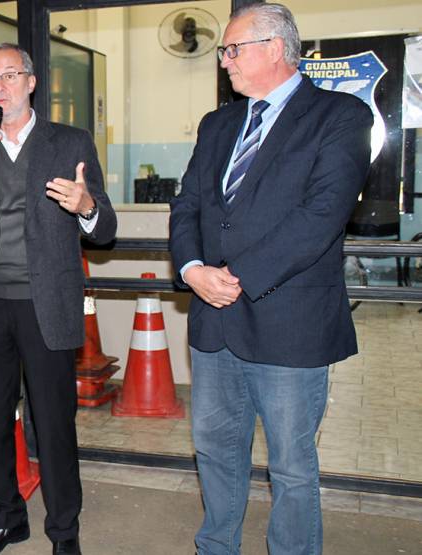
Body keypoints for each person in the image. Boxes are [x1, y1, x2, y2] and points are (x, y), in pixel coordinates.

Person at [168, 4, 372, 554]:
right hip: (214, 323)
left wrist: (233, 275)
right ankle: (216, 547)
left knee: (291, 466)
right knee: (214, 452)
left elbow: (322, 214)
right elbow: (187, 206)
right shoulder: (218, 124)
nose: (224, 61)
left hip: (290, 324)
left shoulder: (340, 116)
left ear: (275, 48)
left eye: (233, 49)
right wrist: (192, 271)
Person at [0, 43, 116, 555]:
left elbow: (105, 231)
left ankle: (65, 533)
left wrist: (87, 207)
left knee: (53, 425)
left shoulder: (70, 143)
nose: (0, 86)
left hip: (46, 307)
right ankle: (7, 519)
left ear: (32, 82)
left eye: (10, 75)